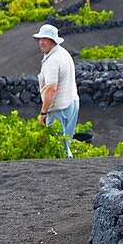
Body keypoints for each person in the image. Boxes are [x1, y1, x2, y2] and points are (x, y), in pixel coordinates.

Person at [33, 23, 79, 157]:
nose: (41, 42)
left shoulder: (53, 60)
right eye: (39, 39)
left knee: (60, 148)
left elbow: (51, 89)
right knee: (66, 141)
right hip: (72, 102)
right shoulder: (63, 52)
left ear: (52, 40)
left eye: (44, 39)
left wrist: (43, 113)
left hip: (60, 108)